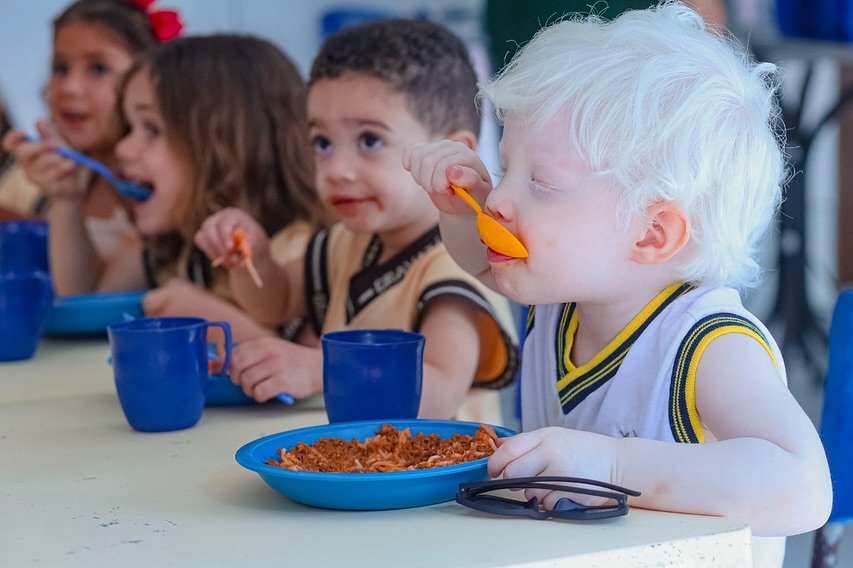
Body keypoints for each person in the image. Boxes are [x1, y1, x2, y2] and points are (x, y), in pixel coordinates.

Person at [403, 3, 831, 566]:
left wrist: (613, 467)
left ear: (652, 233)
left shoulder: (707, 346)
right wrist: (459, 209)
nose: (500, 201)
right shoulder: (560, 294)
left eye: (543, 184)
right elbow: (482, 263)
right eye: (506, 169)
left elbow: (803, 488)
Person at [195, 18, 519, 421]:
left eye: (369, 140)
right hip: (366, 471)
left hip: (444, 478)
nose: (336, 169)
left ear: (449, 154)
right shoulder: (347, 242)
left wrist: (320, 370)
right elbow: (274, 302)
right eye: (322, 143)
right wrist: (252, 257)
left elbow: (438, 392)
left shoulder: (460, 263)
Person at [108, 33, 329, 341]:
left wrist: (208, 319)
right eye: (130, 128)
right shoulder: (183, 249)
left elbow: (316, 373)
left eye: (152, 130)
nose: (122, 149)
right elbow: (83, 295)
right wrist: (69, 200)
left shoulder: (296, 252)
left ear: (223, 147)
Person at [0, 0, 182, 294]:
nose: (70, 87)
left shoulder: (166, 185)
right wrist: (65, 198)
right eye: (60, 68)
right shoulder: (66, 177)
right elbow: (76, 296)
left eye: (98, 69)